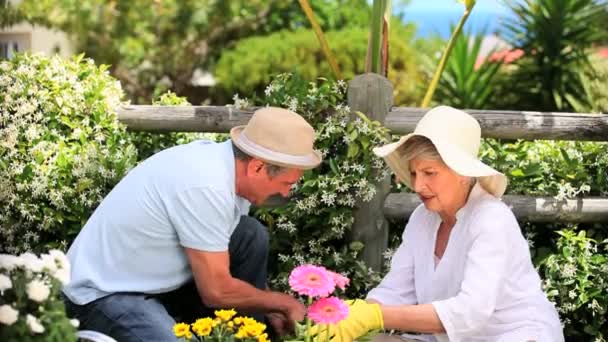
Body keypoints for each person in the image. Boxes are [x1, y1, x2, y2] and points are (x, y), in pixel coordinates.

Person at [62, 107, 323, 341]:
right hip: (104, 295)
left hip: (158, 280)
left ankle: (248, 336)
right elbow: (216, 291)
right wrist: (282, 303)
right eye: (286, 184)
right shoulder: (204, 185)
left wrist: (267, 307)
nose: (286, 194)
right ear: (257, 167)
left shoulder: (228, 169)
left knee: (249, 235)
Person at [313, 106, 564, 342]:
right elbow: (396, 291)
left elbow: (470, 313)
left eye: (429, 173)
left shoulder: (491, 219)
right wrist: (346, 316)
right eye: (413, 173)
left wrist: (375, 317)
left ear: (463, 174)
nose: (418, 186)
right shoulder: (422, 218)